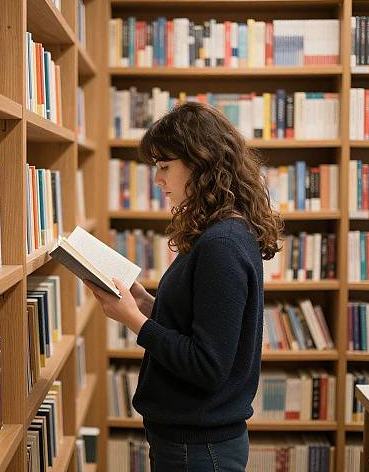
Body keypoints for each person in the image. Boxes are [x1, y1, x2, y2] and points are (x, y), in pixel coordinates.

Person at [85, 101, 283, 472]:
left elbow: (207, 365)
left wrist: (134, 322)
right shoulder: (216, 233)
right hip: (190, 439)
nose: (158, 180)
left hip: (199, 448)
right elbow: (197, 320)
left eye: (164, 167)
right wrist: (147, 304)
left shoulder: (222, 243)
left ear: (201, 163)